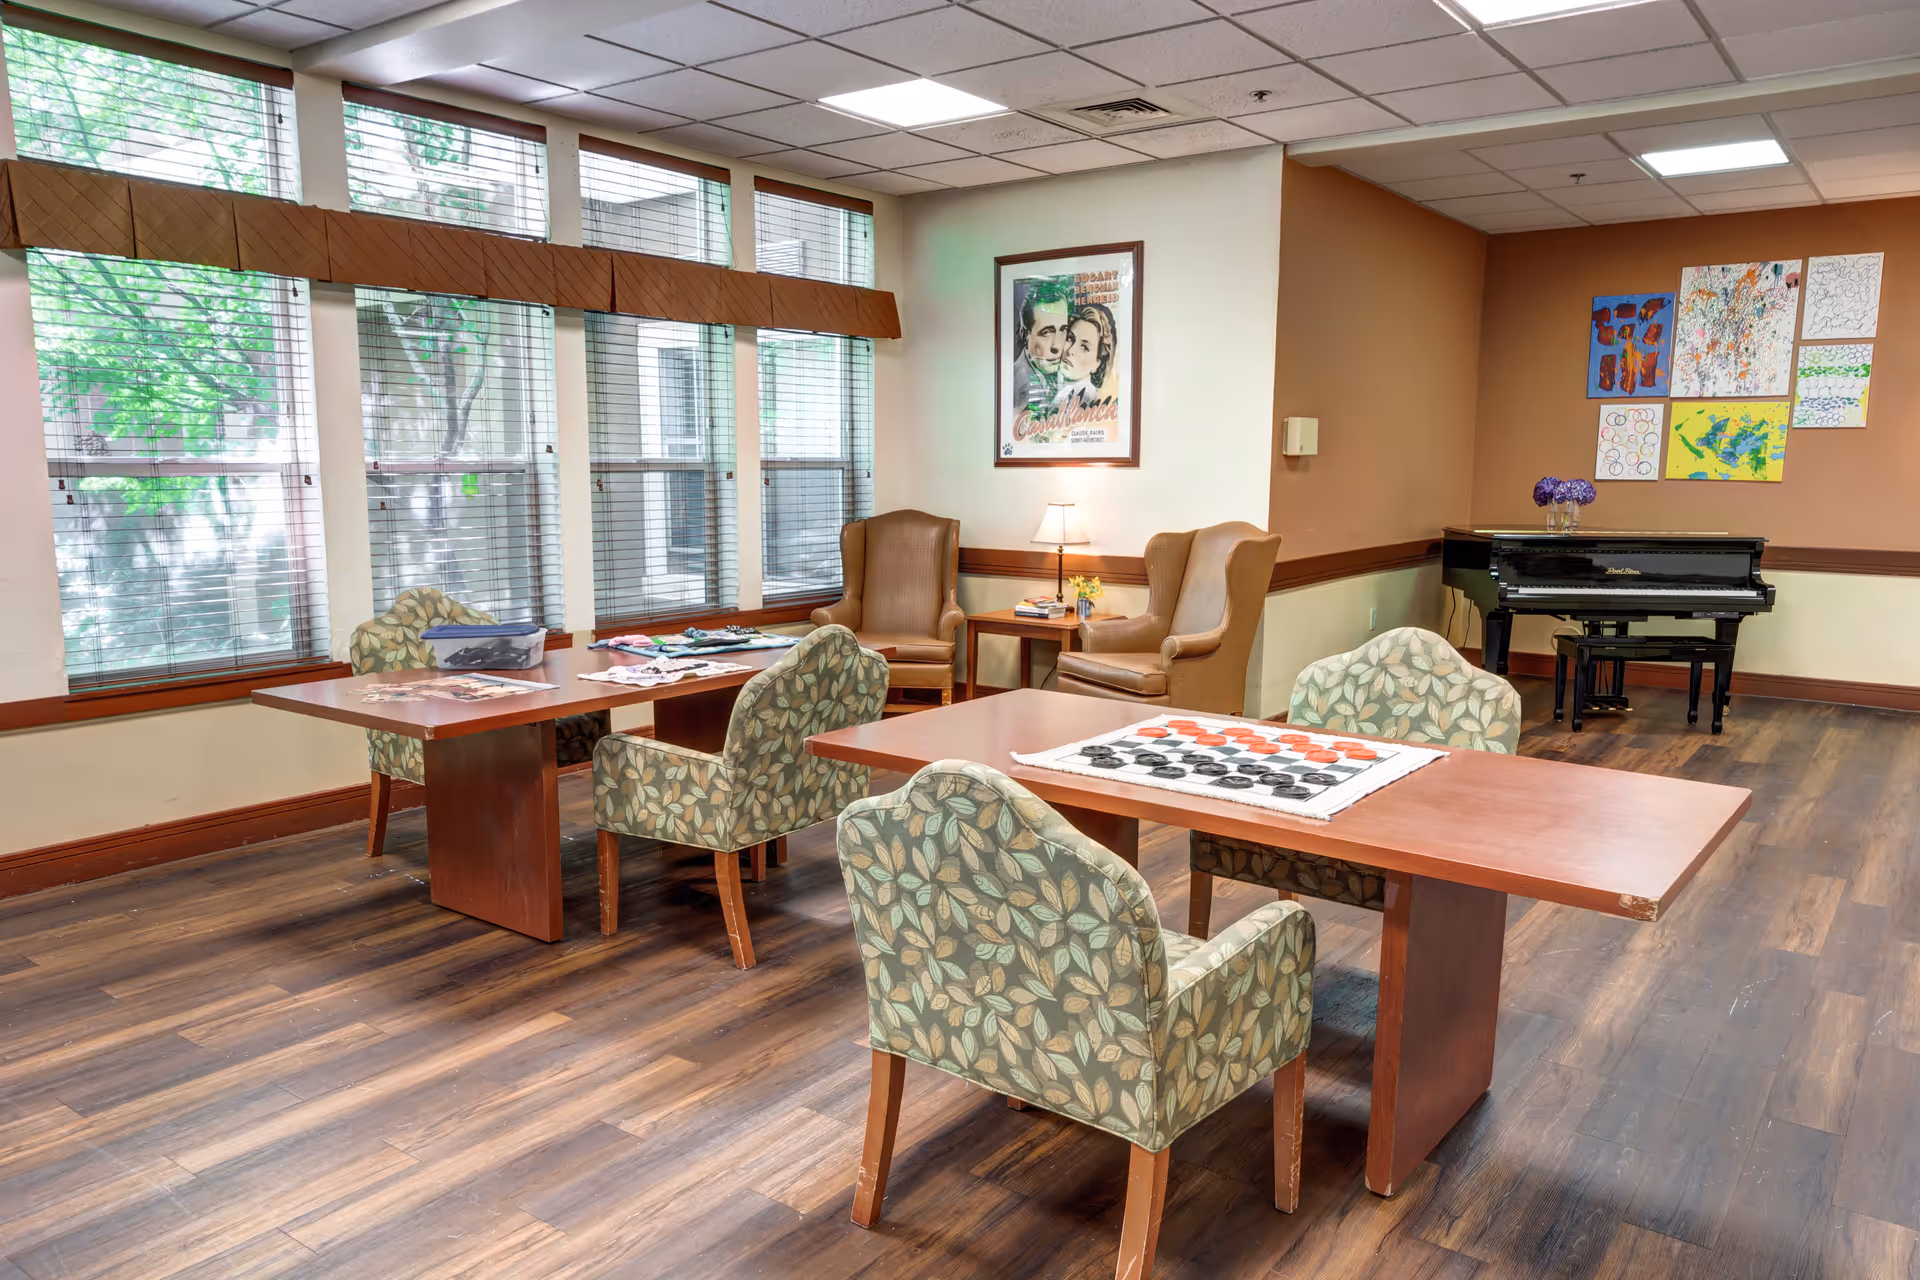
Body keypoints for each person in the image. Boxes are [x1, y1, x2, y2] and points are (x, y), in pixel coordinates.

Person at [1052, 302, 1117, 411]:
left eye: (1084, 347)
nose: (1071, 350)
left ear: (1098, 362)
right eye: (1070, 339)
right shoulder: (1063, 391)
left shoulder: (1082, 396)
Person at [1012, 288, 1068, 413]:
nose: (1057, 346)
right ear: (1025, 336)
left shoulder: (1058, 376)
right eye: (1047, 332)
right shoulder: (1020, 384)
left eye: (1063, 329)